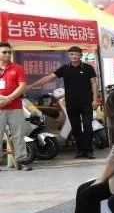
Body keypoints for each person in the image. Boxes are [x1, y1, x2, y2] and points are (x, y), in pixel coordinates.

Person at [28, 45, 99, 158]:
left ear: (81, 55)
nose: (74, 56)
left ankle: (89, 150)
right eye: (72, 54)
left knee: (87, 127)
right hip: (71, 103)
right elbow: (48, 77)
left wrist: (95, 99)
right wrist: (31, 86)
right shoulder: (64, 68)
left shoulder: (88, 68)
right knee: (75, 127)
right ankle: (80, 150)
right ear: (68, 55)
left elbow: (94, 83)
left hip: (86, 102)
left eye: (77, 54)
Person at [0, 42, 30, 170]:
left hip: (15, 107)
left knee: (18, 135)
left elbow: (22, 86)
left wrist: (9, 98)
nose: (7, 54)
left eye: (9, 52)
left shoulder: (17, 68)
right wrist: (2, 98)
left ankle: (22, 160)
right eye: (4, 52)